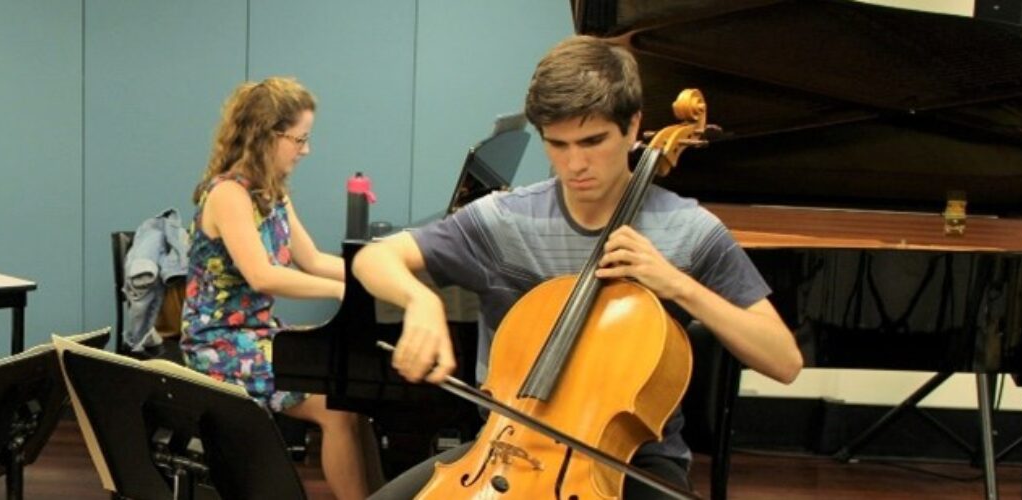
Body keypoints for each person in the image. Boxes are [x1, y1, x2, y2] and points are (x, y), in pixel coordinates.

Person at [355, 36, 804, 500]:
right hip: (505, 447)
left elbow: (783, 361)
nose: (575, 164)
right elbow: (375, 258)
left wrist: (679, 285)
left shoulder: (687, 230)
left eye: (593, 141)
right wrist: (420, 299)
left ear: (633, 127)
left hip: (630, 460)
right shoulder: (509, 218)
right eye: (558, 145)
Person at [181, 77, 377, 500]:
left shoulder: (272, 193)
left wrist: (372, 274)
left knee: (352, 398)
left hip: (259, 333)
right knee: (336, 411)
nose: (305, 149)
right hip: (219, 344)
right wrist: (345, 294)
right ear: (267, 136)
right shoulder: (228, 194)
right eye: (299, 139)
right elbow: (263, 276)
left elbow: (313, 260)